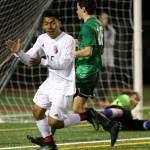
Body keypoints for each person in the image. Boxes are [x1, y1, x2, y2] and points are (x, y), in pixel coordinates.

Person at [5, 9, 100, 150]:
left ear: (59, 23)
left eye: (53, 23)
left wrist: (42, 62)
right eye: (46, 23)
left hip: (64, 86)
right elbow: (30, 60)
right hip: (50, 83)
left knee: (54, 122)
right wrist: (19, 53)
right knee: (37, 111)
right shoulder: (42, 38)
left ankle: (86, 115)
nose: (49, 26)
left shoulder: (67, 40)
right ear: (43, 25)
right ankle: (49, 144)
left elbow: (63, 64)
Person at [72, 0, 120, 146]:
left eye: (78, 8)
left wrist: (70, 53)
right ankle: (102, 122)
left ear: (84, 9)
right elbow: (100, 49)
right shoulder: (98, 24)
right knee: (76, 106)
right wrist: (79, 43)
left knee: (76, 108)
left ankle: (110, 124)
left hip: (86, 71)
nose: (76, 11)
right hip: (94, 69)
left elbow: (88, 51)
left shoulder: (87, 26)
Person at [97, 12, 116, 107]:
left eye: (106, 18)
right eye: (103, 18)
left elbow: (110, 43)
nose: (104, 20)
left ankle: (105, 99)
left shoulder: (111, 30)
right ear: (99, 19)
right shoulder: (96, 30)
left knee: (107, 81)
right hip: (99, 60)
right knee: (99, 81)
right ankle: (101, 99)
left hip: (109, 61)